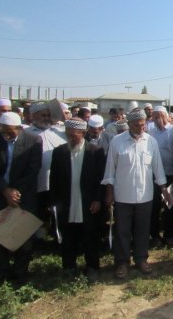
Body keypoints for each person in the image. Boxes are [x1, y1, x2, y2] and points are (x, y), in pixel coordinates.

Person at [102, 109, 169, 279]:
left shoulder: (151, 142)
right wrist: (109, 193)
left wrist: (163, 189)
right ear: (129, 124)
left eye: (143, 124)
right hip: (122, 195)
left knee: (142, 229)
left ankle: (141, 259)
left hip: (145, 195)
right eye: (137, 125)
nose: (141, 128)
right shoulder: (117, 141)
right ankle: (122, 262)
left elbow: (158, 167)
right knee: (122, 230)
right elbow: (110, 169)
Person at [49, 118, 105, 281]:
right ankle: (69, 267)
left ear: (83, 133)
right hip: (66, 202)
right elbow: (54, 180)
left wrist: (98, 199)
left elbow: (101, 179)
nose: (70, 139)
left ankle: (93, 267)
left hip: (88, 202)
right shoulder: (59, 152)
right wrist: (54, 202)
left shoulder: (95, 151)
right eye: (68, 135)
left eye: (74, 136)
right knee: (68, 236)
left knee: (90, 236)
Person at [0, 112, 42, 282]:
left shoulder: (33, 140)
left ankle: (20, 272)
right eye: (3, 131)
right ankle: (2, 272)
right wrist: (5, 190)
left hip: (24, 194)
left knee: (24, 234)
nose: (6, 135)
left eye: (10, 131)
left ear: (20, 128)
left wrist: (15, 192)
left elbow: (33, 170)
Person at [26, 102, 67, 228]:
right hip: (35, 183)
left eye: (49, 115)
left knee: (57, 212)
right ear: (33, 116)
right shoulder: (25, 133)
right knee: (37, 213)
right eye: (43, 115)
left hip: (56, 183)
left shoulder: (61, 132)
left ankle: (56, 236)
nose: (47, 118)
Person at [148, 106, 173, 246]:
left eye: (160, 115)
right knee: (154, 207)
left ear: (167, 116)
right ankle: (154, 235)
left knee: (170, 207)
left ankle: (170, 235)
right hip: (154, 176)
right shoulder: (150, 132)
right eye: (155, 116)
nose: (158, 119)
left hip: (171, 174)